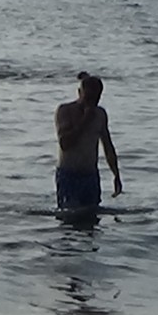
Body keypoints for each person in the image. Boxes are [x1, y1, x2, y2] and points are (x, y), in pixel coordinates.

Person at [54, 74, 123, 212]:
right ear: (80, 93)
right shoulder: (65, 111)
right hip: (69, 174)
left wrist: (116, 175)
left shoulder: (100, 114)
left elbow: (108, 146)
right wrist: (85, 119)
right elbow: (65, 143)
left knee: (91, 219)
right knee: (70, 217)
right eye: (88, 98)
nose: (91, 103)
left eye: (95, 99)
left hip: (90, 175)